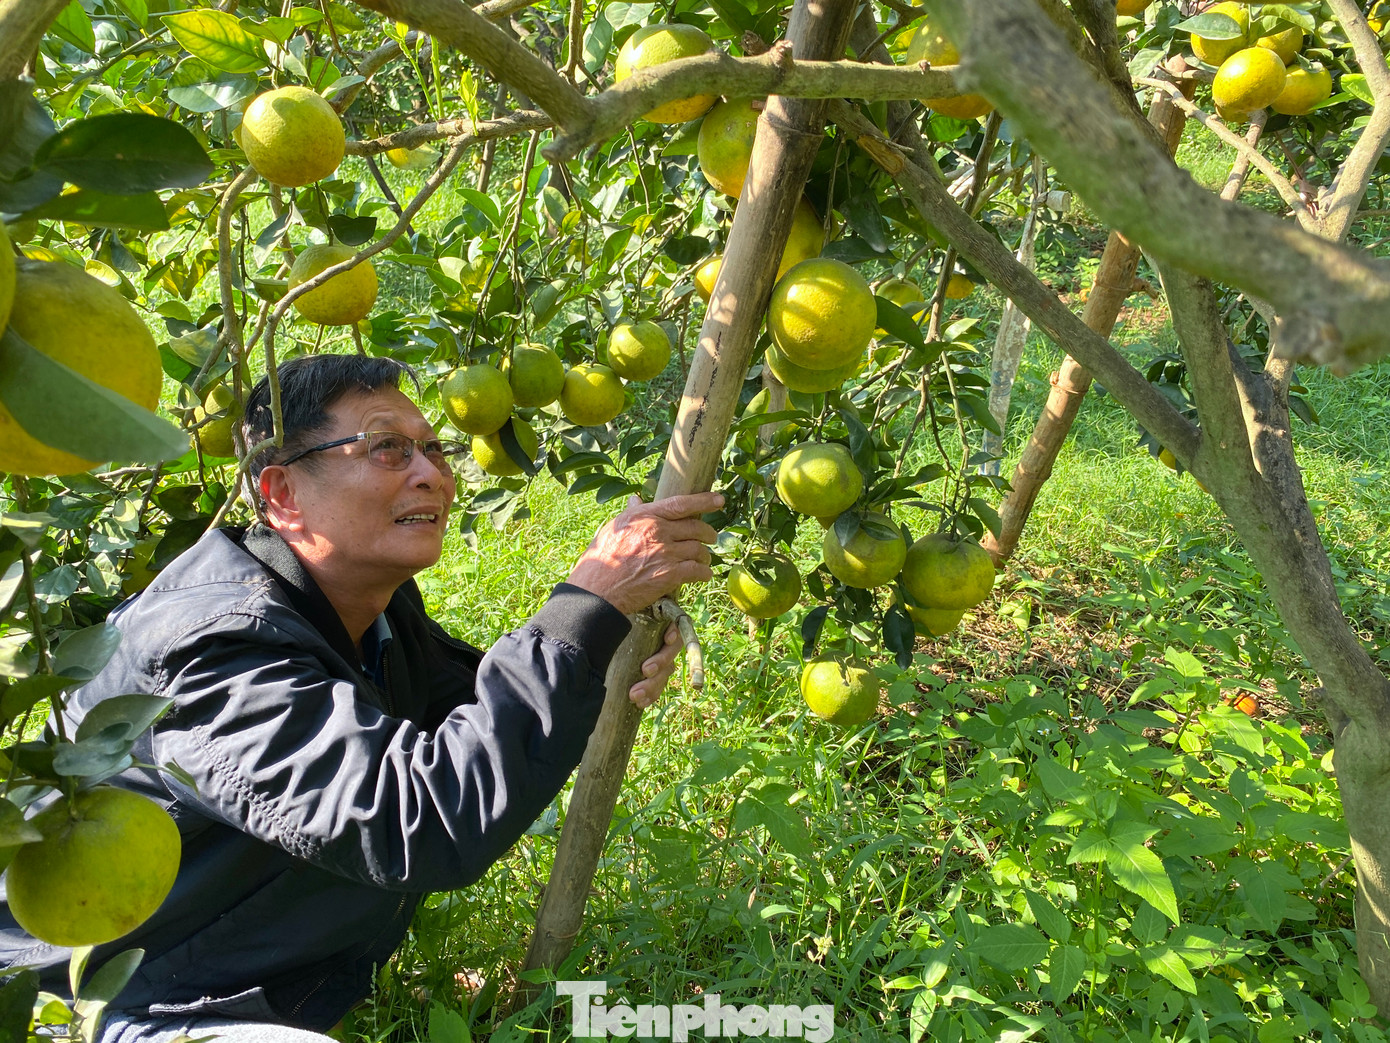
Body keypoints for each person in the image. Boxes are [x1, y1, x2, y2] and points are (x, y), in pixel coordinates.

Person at [0, 354, 722, 1042]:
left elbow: (468, 726)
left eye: (434, 450)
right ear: (281, 493)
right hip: (83, 1003)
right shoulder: (213, 649)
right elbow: (423, 819)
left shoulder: (367, 607)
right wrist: (582, 608)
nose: (430, 475)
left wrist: (591, 644)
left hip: (207, 978)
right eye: (385, 448)